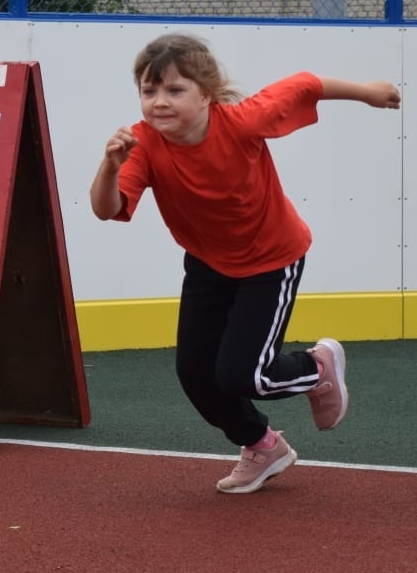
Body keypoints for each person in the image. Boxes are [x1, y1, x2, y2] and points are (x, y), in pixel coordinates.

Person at [89, 33, 400, 495]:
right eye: (149, 91)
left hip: (271, 259)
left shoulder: (241, 122)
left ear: (206, 94)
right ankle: (263, 446)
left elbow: (304, 85)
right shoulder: (142, 144)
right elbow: (106, 209)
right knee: (196, 375)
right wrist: (111, 165)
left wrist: (366, 91)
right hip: (209, 265)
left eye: (175, 90)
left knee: (243, 375)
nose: (159, 102)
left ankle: (317, 367)